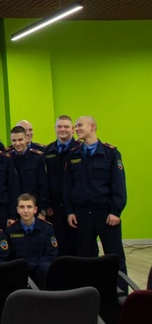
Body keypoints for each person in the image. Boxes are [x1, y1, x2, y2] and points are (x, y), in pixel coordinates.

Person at [64, 116, 128, 288]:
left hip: (106, 214)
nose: (76, 129)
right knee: (85, 258)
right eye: (76, 126)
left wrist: (116, 211)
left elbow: (119, 185)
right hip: (82, 214)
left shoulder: (110, 153)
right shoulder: (73, 155)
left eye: (80, 125)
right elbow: (68, 186)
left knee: (115, 257)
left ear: (92, 127)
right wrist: (70, 211)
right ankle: (89, 293)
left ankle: (121, 294)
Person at [43, 115, 81, 256]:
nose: (62, 129)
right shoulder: (48, 151)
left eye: (66, 127)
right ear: (55, 129)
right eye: (59, 126)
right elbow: (44, 180)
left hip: (76, 205)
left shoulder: (80, 149)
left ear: (72, 129)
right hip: (55, 207)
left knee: (79, 245)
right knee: (58, 245)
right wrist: (46, 205)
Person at [6, 194, 58, 285]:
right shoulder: (10, 230)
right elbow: (9, 256)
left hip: (40, 269)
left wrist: (35, 265)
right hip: (20, 268)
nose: (25, 211)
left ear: (35, 210)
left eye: (29, 207)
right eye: (22, 207)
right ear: (17, 210)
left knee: (47, 267)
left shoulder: (47, 228)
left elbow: (51, 254)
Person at [9, 126, 49, 218]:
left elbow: (43, 186)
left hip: (34, 209)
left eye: (20, 140)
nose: (17, 143)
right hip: (15, 209)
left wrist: (42, 211)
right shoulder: (8, 158)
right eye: (14, 140)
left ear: (26, 139)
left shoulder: (38, 157)